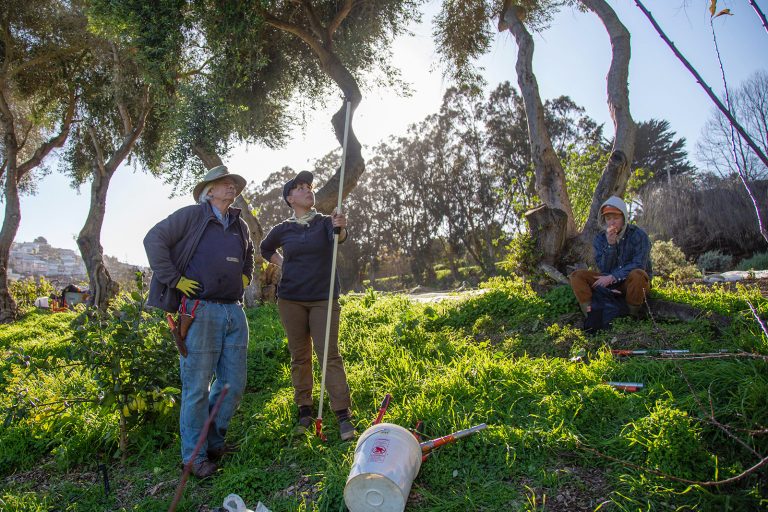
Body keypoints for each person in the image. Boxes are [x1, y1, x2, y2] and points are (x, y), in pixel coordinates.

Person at [144, 165, 254, 479]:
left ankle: (214, 442)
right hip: (199, 310)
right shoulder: (192, 216)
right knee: (196, 389)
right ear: (208, 190)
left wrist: (247, 273)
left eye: (234, 183)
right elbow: (154, 239)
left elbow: (249, 254)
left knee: (233, 384)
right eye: (225, 183)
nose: (232, 187)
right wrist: (174, 279)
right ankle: (193, 457)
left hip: (234, 310)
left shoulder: (239, 224)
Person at [259, 170, 356, 441]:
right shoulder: (283, 229)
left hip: (323, 298)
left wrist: (342, 226)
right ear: (290, 198)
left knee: (329, 355)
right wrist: (282, 263)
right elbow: (265, 249)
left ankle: (342, 414)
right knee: (299, 356)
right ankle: (304, 410)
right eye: (300, 188)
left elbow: (340, 237)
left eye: (309, 187)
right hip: (290, 300)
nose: (308, 190)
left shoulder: (325, 222)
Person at [569, 195, 652, 323]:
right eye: (608, 218)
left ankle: (631, 317)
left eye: (616, 218)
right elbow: (604, 268)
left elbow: (639, 264)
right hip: (608, 281)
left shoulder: (639, 235)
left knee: (638, 275)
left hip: (632, 283)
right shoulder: (600, 238)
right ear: (604, 220)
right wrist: (610, 245)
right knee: (576, 276)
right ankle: (593, 316)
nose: (612, 222)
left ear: (624, 218)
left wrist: (613, 277)